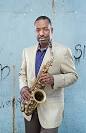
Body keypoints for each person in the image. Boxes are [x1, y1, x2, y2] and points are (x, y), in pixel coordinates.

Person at [19, 16, 78, 133]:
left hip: (51, 109)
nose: (41, 33)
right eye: (38, 29)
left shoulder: (63, 51)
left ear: (52, 30)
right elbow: (22, 74)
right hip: (30, 107)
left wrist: (54, 79)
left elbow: (73, 75)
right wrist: (23, 88)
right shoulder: (27, 51)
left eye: (45, 29)